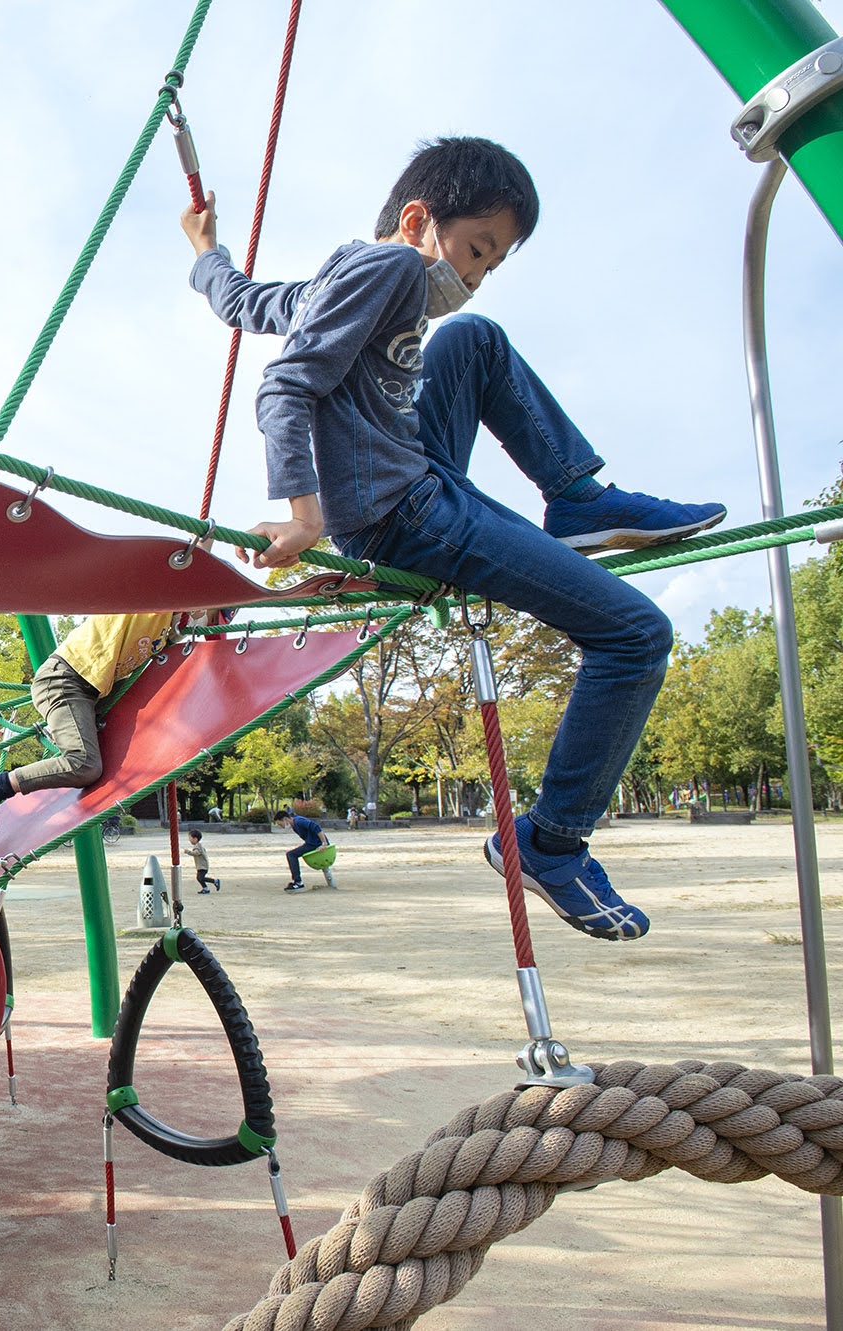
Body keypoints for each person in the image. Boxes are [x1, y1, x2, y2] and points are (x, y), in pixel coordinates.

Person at [180, 137, 725, 941]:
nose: (472, 277)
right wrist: (303, 514)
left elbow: (245, 302)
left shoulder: (343, 278)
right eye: (475, 251)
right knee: (637, 634)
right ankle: (550, 841)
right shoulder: (393, 269)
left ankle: (575, 497)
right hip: (406, 512)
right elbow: (285, 383)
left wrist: (205, 251)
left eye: (491, 264)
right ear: (417, 220)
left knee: (475, 341)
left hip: (415, 476)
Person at [0, 612, 181, 836]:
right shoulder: (152, 602)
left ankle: (63, 727)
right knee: (83, 764)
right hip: (65, 680)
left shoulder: (169, 628)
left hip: (92, 693)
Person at [273, 809, 328, 893]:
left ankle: (298, 882)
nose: (282, 827)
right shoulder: (294, 823)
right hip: (311, 843)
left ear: (285, 819)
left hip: (316, 844)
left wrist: (324, 843)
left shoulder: (299, 821)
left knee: (291, 855)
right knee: (292, 854)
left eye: (280, 824)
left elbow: (316, 827)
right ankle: (297, 881)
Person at [187, 829, 222, 894]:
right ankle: (205, 888)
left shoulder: (198, 846)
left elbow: (197, 853)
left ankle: (215, 881)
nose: (189, 840)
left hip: (203, 866)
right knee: (199, 878)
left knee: (201, 878)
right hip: (201, 865)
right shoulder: (198, 845)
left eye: (190, 838)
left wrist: (188, 852)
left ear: (195, 838)